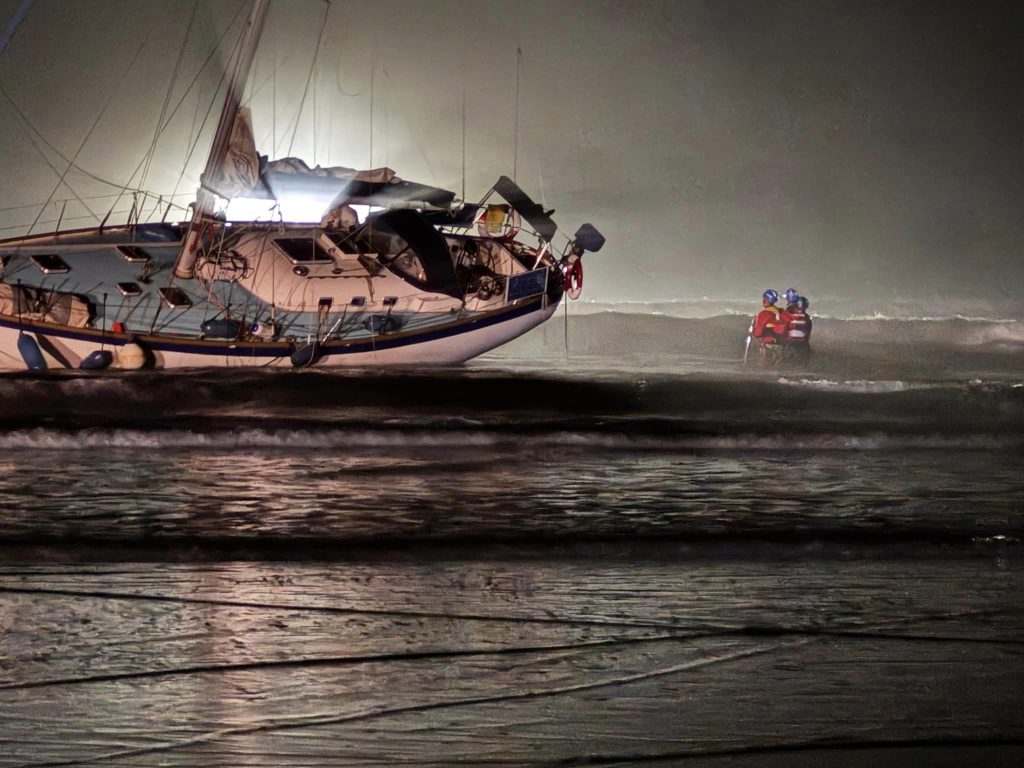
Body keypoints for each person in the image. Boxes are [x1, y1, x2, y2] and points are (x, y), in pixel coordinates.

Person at [749, 289, 791, 365]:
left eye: (764, 299)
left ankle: (756, 363)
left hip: (768, 344)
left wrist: (753, 333)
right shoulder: (783, 313)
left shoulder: (764, 314)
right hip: (782, 343)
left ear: (766, 300)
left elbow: (757, 333)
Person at [784, 293, 812, 362]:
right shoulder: (807, 318)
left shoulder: (790, 315)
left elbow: (785, 328)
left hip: (790, 342)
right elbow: (808, 333)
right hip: (802, 343)